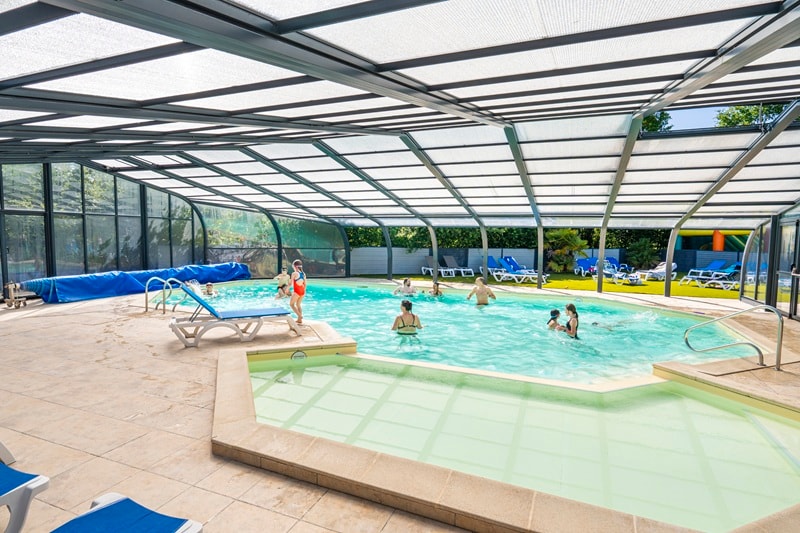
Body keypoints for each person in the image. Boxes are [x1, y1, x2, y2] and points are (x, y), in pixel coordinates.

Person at [289, 259, 306, 325]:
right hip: (302, 291)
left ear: (295, 266)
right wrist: (304, 292)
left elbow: (290, 284)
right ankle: (299, 320)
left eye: (293, 266)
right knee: (298, 305)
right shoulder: (303, 274)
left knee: (291, 304)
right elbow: (305, 284)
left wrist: (287, 289)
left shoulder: (294, 273)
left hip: (297, 291)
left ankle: (300, 316)